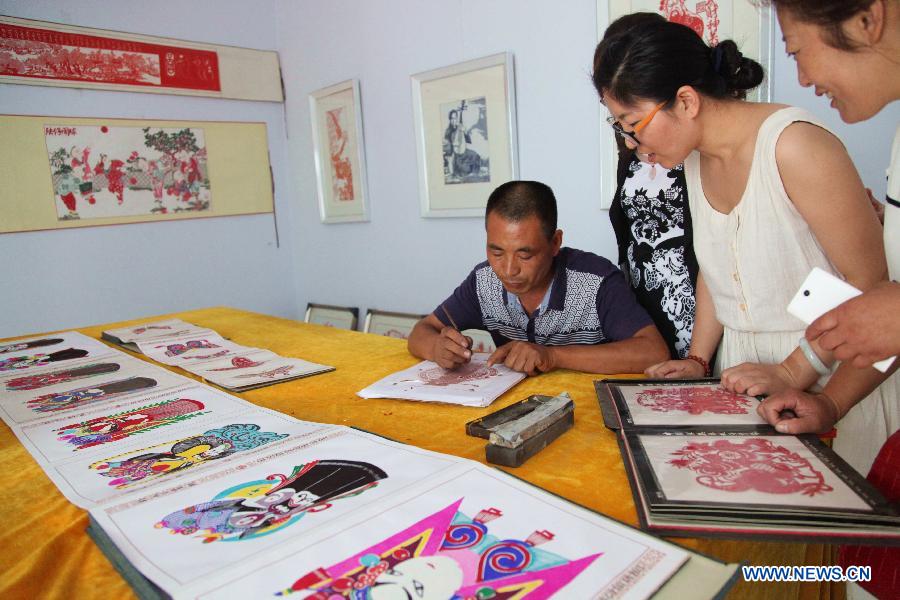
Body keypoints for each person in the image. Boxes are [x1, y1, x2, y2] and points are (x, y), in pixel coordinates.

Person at [592, 15, 897, 475]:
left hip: (833, 370)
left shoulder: (792, 145)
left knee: (826, 536)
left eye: (634, 123)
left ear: (687, 101)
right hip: (743, 372)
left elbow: (869, 287)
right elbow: (716, 268)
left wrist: (798, 370)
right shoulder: (694, 161)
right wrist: (698, 357)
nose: (634, 145)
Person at [753, 4, 899, 597]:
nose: (805, 80)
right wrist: (831, 404)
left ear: (868, 20)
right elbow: (879, 322)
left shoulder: (798, 144)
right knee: (843, 573)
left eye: (796, 51)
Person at [407, 180, 669, 375]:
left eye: (525, 254)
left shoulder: (596, 280)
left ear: (555, 243)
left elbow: (653, 352)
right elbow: (421, 331)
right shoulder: (483, 281)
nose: (508, 270)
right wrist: (436, 348)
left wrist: (552, 356)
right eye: (496, 251)